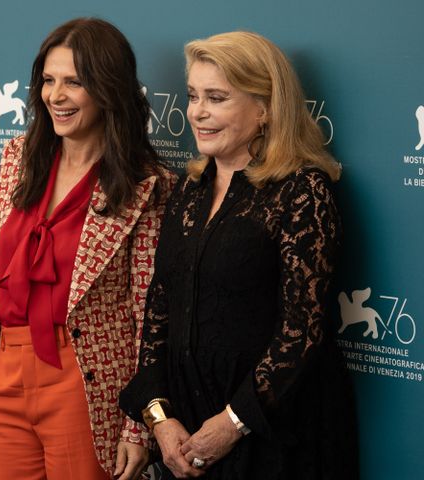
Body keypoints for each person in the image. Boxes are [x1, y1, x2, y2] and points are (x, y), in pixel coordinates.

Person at [120, 31, 359, 479]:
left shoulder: (302, 192)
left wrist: (232, 423)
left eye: (217, 97)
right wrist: (159, 417)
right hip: (187, 433)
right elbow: (159, 307)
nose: (197, 112)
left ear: (265, 108)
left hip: (273, 438)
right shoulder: (189, 188)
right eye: (193, 96)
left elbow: (301, 332)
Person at [0, 18, 177, 480]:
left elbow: (147, 311)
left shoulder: (148, 185)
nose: (55, 96)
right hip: (4, 370)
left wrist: (137, 426)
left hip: (85, 380)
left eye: (74, 82)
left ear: (109, 89)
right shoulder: (17, 158)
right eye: (48, 80)